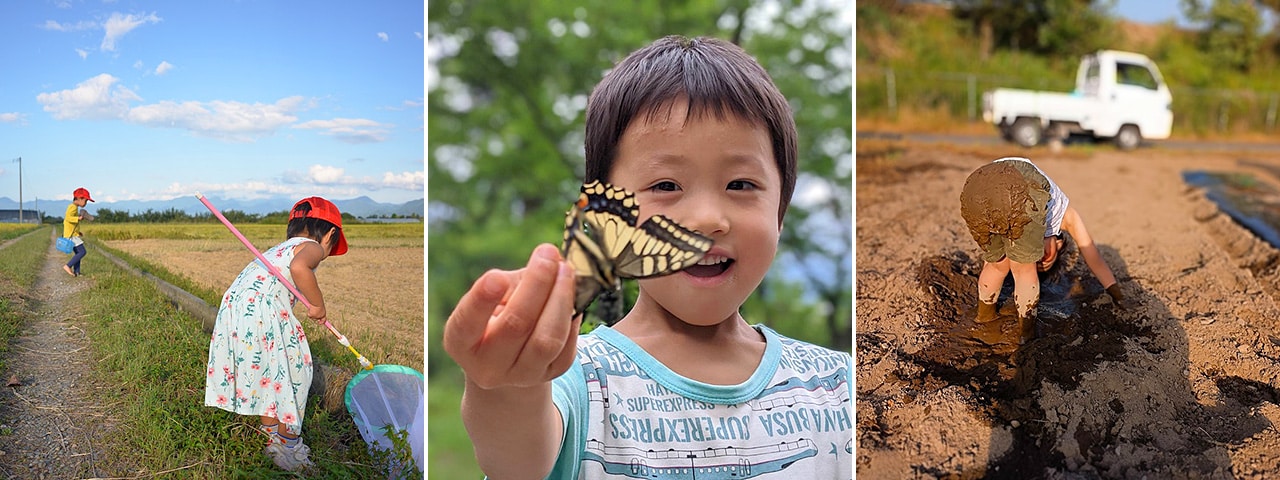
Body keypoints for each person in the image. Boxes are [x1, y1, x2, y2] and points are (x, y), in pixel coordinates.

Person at [443, 36, 852, 480]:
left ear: (780, 213)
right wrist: (507, 386)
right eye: (665, 186)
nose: (706, 219)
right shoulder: (576, 377)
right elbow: (517, 457)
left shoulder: (840, 385)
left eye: (740, 185)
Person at [203, 197, 348, 471]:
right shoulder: (312, 247)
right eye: (332, 246)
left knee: (267, 372)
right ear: (330, 233)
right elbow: (299, 268)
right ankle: (289, 447)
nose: (327, 252)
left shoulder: (279, 249)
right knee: (295, 371)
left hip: (236, 309)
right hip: (264, 308)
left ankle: (272, 438)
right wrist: (318, 305)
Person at [959, 156, 1123, 338]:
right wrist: (1119, 296)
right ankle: (1026, 336)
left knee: (997, 265)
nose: (1037, 257)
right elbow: (1094, 258)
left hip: (976, 189)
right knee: (1024, 271)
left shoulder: (1024, 226)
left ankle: (983, 318)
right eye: (1044, 257)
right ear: (1059, 243)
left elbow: (993, 263)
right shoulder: (1067, 217)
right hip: (1018, 183)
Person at [62, 187, 96, 277]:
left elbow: (72, 224)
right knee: (82, 252)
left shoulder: (74, 207)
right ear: (79, 198)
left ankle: (77, 272)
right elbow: (68, 218)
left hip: (72, 234)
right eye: (85, 201)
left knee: (78, 253)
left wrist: (78, 231)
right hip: (71, 235)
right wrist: (78, 218)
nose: (86, 203)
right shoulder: (72, 207)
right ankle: (68, 266)